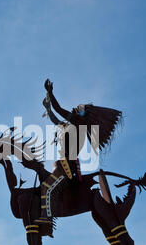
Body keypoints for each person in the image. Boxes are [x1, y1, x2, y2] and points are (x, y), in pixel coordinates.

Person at [34, 79, 123, 236]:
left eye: (78, 109)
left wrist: (50, 94)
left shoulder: (78, 124)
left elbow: (58, 108)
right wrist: (47, 107)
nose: (75, 109)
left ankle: (46, 221)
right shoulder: (70, 126)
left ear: (82, 116)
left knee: (47, 187)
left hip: (68, 166)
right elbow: (55, 118)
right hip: (62, 164)